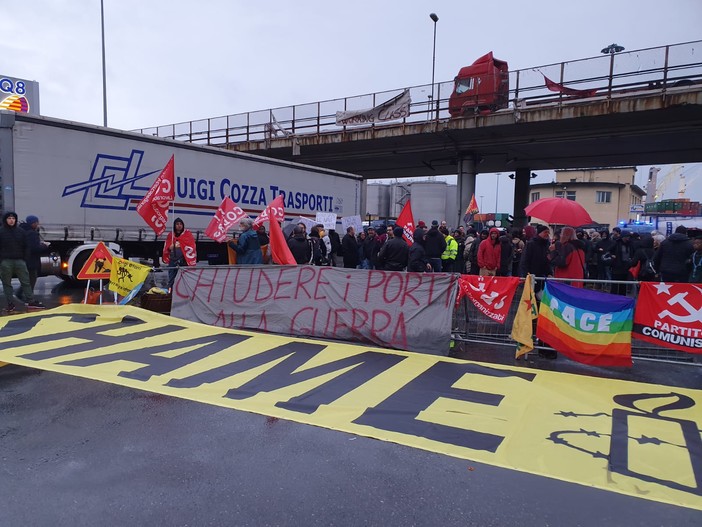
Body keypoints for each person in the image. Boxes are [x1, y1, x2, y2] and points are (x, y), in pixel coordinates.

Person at [0, 211, 44, 312]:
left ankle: (30, 300)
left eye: (13, 218)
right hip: (6, 261)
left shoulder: (20, 231)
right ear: (5, 220)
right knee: (7, 283)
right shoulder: (1, 232)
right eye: (9, 218)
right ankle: (10, 303)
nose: (11, 220)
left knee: (26, 282)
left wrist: (24, 258)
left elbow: (27, 246)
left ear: (15, 220)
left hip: (19, 260)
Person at [163, 217, 197, 290]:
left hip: (183, 261)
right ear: (174, 225)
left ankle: (184, 293)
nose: (179, 225)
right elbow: (166, 247)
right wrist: (170, 247)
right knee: (171, 279)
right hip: (173, 260)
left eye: (181, 224)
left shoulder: (188, 234)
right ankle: (170, 294)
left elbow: (192, 246)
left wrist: (182, 246)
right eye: (177, 224)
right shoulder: (171, 235)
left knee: (184, 279)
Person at [21, 215, 51, 296]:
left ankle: (22, 294)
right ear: (33, 223)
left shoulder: (23, 231)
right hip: (32, 261)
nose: (38, 224)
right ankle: (28, 298)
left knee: (26, 280)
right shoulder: (32, 233)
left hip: (26, 260)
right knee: (32, 279)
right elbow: (35, 248)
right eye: (36, 222)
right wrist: (45, 246)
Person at [519, 224, 551, 293]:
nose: (547, 234)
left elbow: (548, 261)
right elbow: (525, 260)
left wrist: (549, 272)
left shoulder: (548, 245)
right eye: (545, 232)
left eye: (548, 232)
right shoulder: (531, 244)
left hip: (543, 276)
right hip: (532, 275)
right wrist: (526, 274)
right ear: (540, 233)